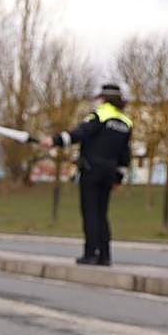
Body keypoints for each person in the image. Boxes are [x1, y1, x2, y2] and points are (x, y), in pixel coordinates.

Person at [40, 83, 132, 266]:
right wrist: (119, 178)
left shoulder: (100, 115)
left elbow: (79, 133)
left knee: (90, 212)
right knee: (102, 213)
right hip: (109, 173)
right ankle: (105, 256)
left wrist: (54, 141)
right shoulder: (125, 122)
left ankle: (90, 254)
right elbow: (125, 154)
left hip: (91, 170)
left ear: (104, 99)